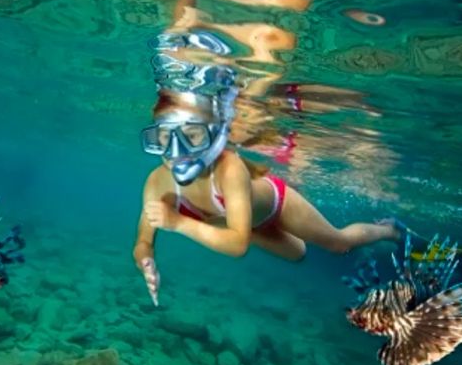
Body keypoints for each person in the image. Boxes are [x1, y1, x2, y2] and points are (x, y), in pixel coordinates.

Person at [133, 88, 401, 306]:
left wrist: (179, 223)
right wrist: (146, 261)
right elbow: (144, 240)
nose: (178, 150)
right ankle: (251, 223)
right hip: (247, 225)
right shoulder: (158, 182)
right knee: (297, 254)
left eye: (192, 136)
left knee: (338, 244)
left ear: (213, 135)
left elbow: (238, 246)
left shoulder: (229, 168)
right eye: (166, 138)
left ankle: (389, 231)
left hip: (276, 206)